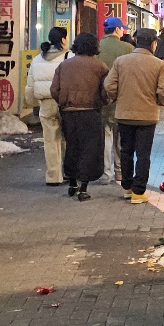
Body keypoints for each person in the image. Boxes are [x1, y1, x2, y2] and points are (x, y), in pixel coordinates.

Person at [104, 27, 164, 204]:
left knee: (125, 150)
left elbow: (109, 85)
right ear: (153, 43)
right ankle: (138, 191)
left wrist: (116, 99)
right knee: (143, 154)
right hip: (147, 116)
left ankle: (127, 187)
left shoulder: (121, 61)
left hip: (124, 114)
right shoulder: (159, 64)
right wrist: (159, 102)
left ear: (135, 41)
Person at [52, 32, 110, 200]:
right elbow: (105, 92)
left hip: (69, 113)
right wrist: (103, 102)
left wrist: (64, 102)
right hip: (91, 113)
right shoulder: (100, 67)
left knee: (72, 147)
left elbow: (54, 90)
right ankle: (83, 187)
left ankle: (72, 182)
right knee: (90, 149)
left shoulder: (64, 65)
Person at [23, 26, 69, 186]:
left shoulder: (38, 59)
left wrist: (33, 104)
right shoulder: (69, 56)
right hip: (65, 103)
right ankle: (68, 172)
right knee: (67, 139)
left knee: (50, 140)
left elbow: (30, 86)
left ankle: (53, 176)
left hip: (46, 104)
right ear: (63, 40)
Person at [98, 17, 135, 184]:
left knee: (105, 137)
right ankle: (120, 172)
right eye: (122, 29)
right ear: (118, 29)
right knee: (122, 139)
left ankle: (106, 173)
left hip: (100, 99)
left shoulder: (96, 47)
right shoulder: (127, 48)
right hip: (122, 99)